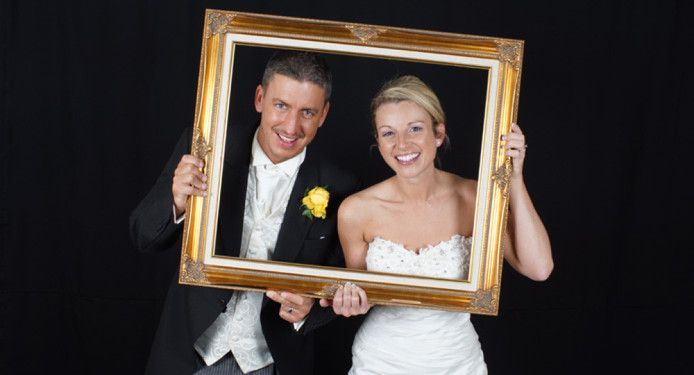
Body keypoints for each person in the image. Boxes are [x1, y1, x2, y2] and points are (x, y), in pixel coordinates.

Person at [130, 51, 358, 375]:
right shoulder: (207, 149)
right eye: (281, 105)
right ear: (259, 98)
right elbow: (143, 235)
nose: (292, 126)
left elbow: (342, 281)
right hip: (189, 355)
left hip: (272, 361)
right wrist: (176, 199)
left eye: (307, 112)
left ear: (323, 114)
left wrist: (310, 309)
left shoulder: (341, 185)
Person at [326, 75, 553, 374]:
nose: (402, 144)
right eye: (388, 133)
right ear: (378, 141)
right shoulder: (356, 211)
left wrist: (514, 178)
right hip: (380, 362)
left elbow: (538, 268)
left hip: (457, 362)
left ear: (438, 133)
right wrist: (348, 302)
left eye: (415, 129)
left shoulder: (475, 197)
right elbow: (360, 294)